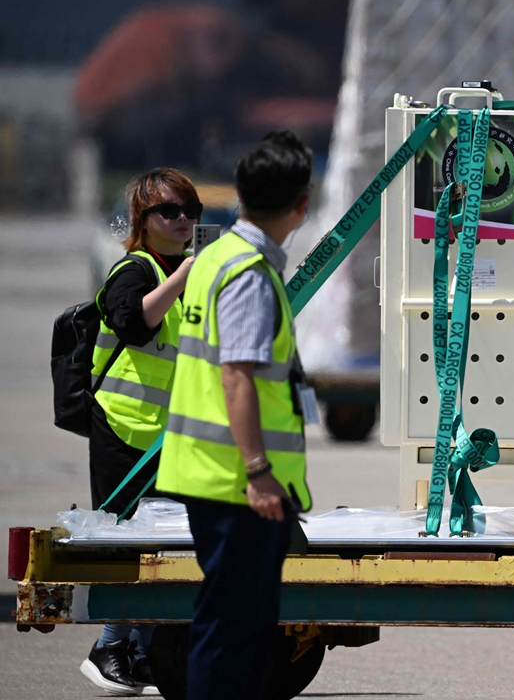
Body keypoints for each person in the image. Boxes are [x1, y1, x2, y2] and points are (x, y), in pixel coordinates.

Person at [157, 130, 314, 700]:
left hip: (209, 473)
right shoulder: (248, 272)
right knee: (232, 631)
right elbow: (236, 374)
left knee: (236, 627)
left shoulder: (214, 257)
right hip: (236, 484)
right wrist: (257, 470)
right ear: (301, 205)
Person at [81, 169, 201, 695]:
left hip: (167, 439)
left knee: (164, 549)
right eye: (169, 212)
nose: (183, 221)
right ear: (142, 220)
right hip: (123, 432)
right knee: (125, 545)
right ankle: (107, 645)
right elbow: (133, 323)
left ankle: (143, 653)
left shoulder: (182, 273)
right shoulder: (134, 270)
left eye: (190, 211)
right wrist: (183, 278)